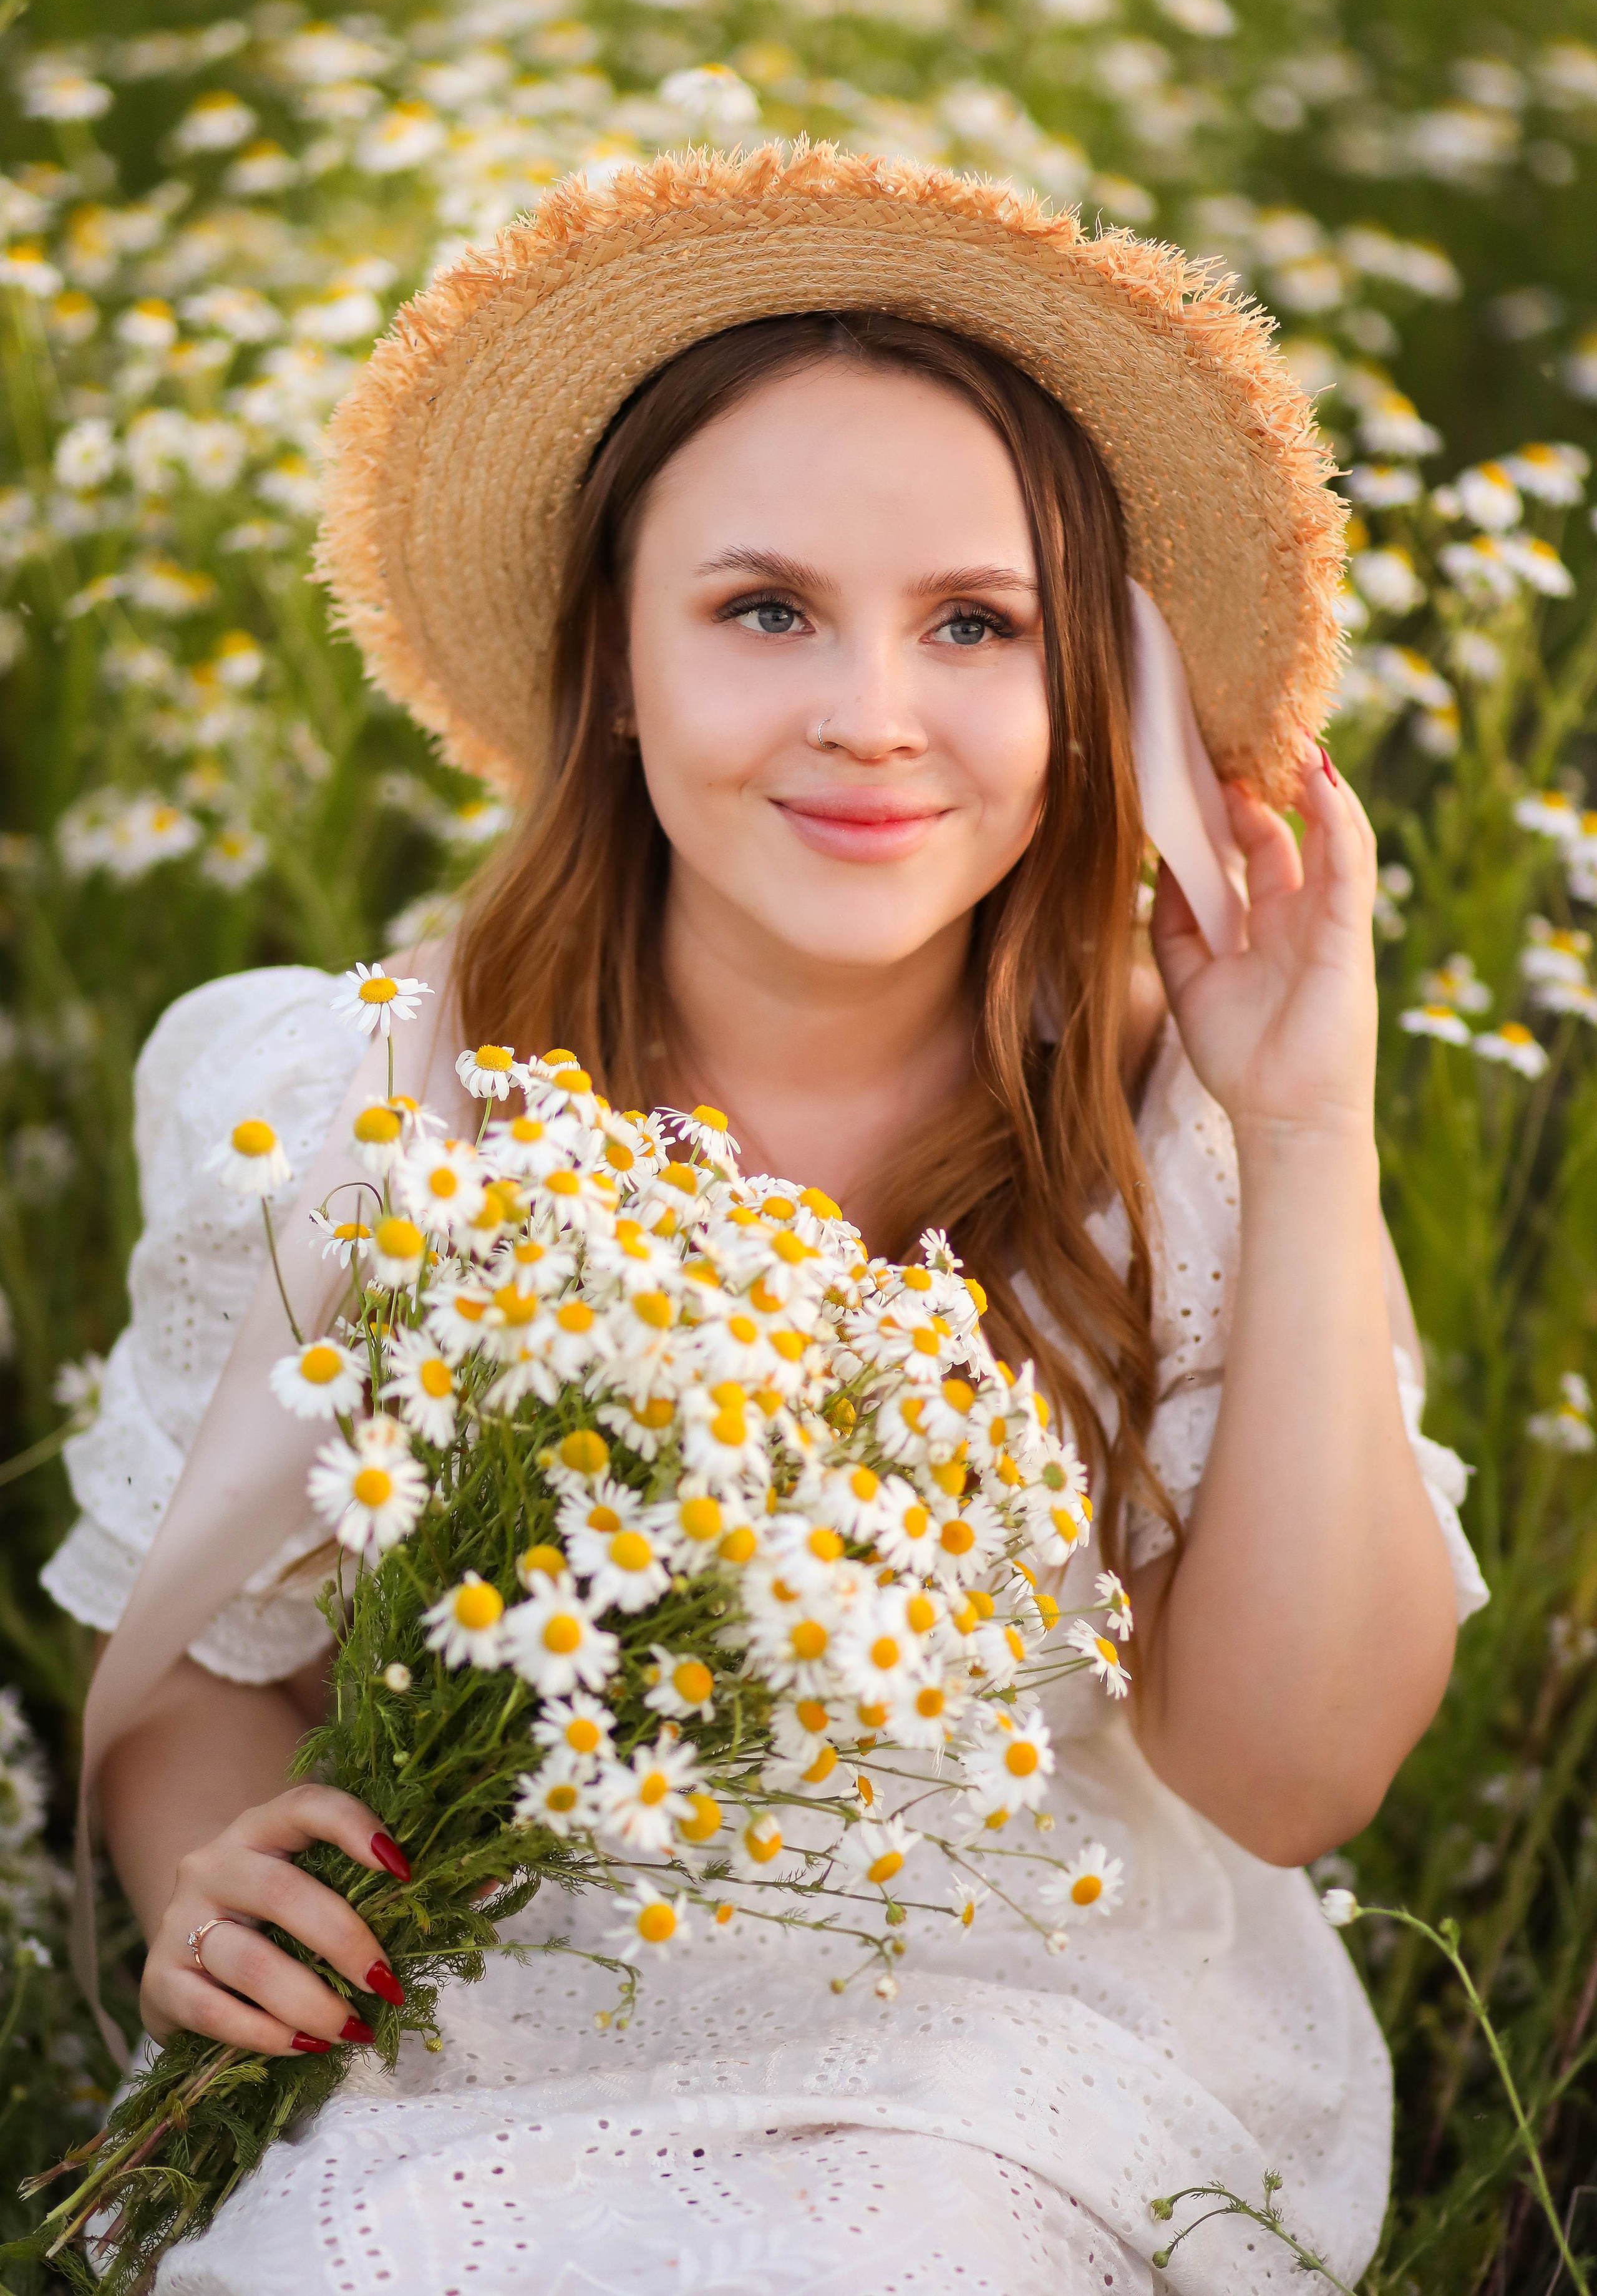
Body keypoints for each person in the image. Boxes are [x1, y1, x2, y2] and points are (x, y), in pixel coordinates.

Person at [45, 142, 1487, 2294]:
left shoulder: (1173, 1132)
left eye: (976, 625)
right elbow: (201, 1671)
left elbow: (1289, 1780)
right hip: (481, 2006)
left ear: (1087, 685)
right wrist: (205, 1873)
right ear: (613, 667)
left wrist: (1305, 1129)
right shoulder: (360, 1106)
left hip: (1023, 2029)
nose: (872, 715)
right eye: (765, 608)